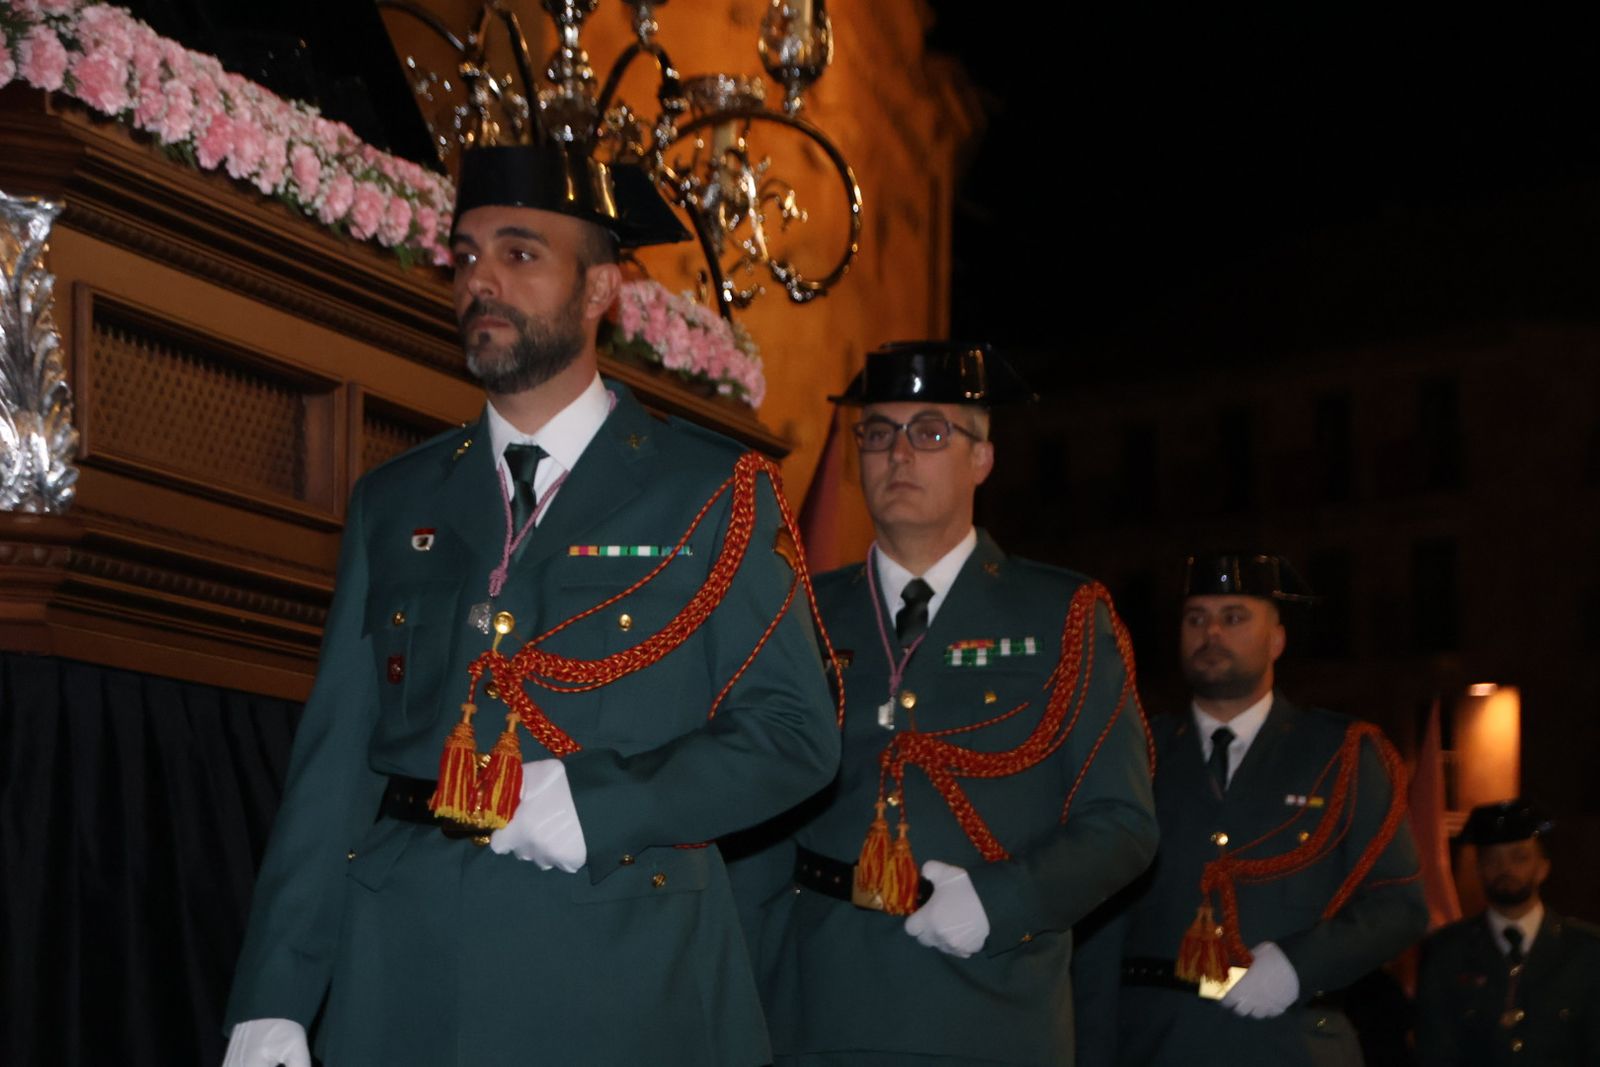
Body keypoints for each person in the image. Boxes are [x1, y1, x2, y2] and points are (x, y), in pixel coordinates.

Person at [219, 137, 840, 1066]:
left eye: (519, 253)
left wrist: (600, 802)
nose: (481, 282)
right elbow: (336, 763)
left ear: (599, 290)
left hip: (619, 982)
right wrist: (273, 995)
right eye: (465, 255)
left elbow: (795, 735)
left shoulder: (710, 493)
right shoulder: (399, 500)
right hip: (405, 980)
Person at [727, 341, 1159, 1065]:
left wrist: (1002, 901)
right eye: (878, 433)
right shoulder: (802, 611)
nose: (898, 454)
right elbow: (756, 820)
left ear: (983, 458)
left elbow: (1122, 825)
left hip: (986, 1007)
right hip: (816, 1008)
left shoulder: (1062, 616)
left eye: (929, 432)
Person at [1107, 552, 1428, 1067]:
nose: (1211, 632)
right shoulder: (1136, 753)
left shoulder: (1342, 752)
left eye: (1233, 617)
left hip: (1292, 1043)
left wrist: (1300, 966)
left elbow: (1399, 905)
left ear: (1277, 639)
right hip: (1155, 1045)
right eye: (1196, 618)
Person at [1417, 800, 1600, 1066]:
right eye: (1492, 859)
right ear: (1479, 869)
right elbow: (1434, 1051)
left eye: (1519, 857)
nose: (1505, 870)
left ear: (1543, 868)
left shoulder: (1586, 951)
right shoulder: (1447, 951)